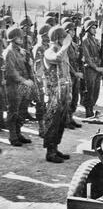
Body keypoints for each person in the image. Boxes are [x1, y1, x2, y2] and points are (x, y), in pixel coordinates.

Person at [43, 26, 72, 163]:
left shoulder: (63, 52)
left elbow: (67, 73)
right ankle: (50, 152)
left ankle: (55, 147)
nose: (64, 40)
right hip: (54, 92)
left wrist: (69, 91)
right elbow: (57, 59)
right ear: (56, 39)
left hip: (63, 91)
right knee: (53, 122)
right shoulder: (49, 52)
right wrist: (65, 46)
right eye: (62, 38)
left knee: (61, 122)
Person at [4, 26, 34, 146]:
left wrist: (29, 61)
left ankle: (18, 132)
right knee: (13, 111)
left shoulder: (20, 51)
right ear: (12, 38)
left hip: (24, 85)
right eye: (18, 37)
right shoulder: (9, 52)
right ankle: (13, 136)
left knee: (22, 110)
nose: (21, 38)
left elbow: (26, 66)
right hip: (14, 86)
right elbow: (12, 72)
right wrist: (24, 81)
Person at [82, 20, 103, 117]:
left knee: (96, 91)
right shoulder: (85, 41)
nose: (95, 30)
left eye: (95, 28)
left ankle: (92, 108)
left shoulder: (96, 40)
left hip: (97, 69)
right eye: (93, 28)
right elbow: (87, 58)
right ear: (87, 29)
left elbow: (100, 54)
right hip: (90, 69)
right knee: (90, 91)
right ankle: (88, 110)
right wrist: (96, 68)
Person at [32, 24, 51, 137]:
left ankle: (47, 125)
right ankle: (41, 127)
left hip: (48, 78)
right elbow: (38, 67)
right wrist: (42, 79)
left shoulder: (47, 46)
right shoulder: (39, 48)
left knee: (49, 104)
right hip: (41, 79)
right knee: (41, 104)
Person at [63, 21, 83, 128]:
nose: (73, 32)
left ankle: (70, 117)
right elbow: (67, 62)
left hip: (75, 75)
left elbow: (76, 60)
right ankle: (66, 120)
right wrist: (75, 73)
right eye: (71, 30)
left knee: (75, 97)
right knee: (68, 98)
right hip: (69, 75)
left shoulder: (73, 44)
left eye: (73, 30)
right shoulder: (64, 45)